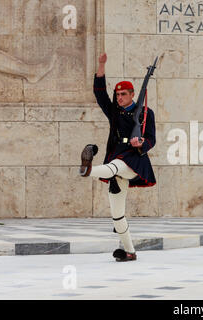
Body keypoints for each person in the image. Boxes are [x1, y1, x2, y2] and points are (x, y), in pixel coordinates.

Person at [79, 53, 156, 262]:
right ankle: (130, 252)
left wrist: (141, 143)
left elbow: (151, 139)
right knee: (117, 214)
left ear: (132, 95)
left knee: (115, 166)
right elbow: (99, 93)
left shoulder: (146, 113)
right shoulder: (114, 112)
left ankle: (88, 170)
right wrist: (101, 65)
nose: (119, 97)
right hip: (116, 158)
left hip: (134, 160)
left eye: (123, 94)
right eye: (118, 94)